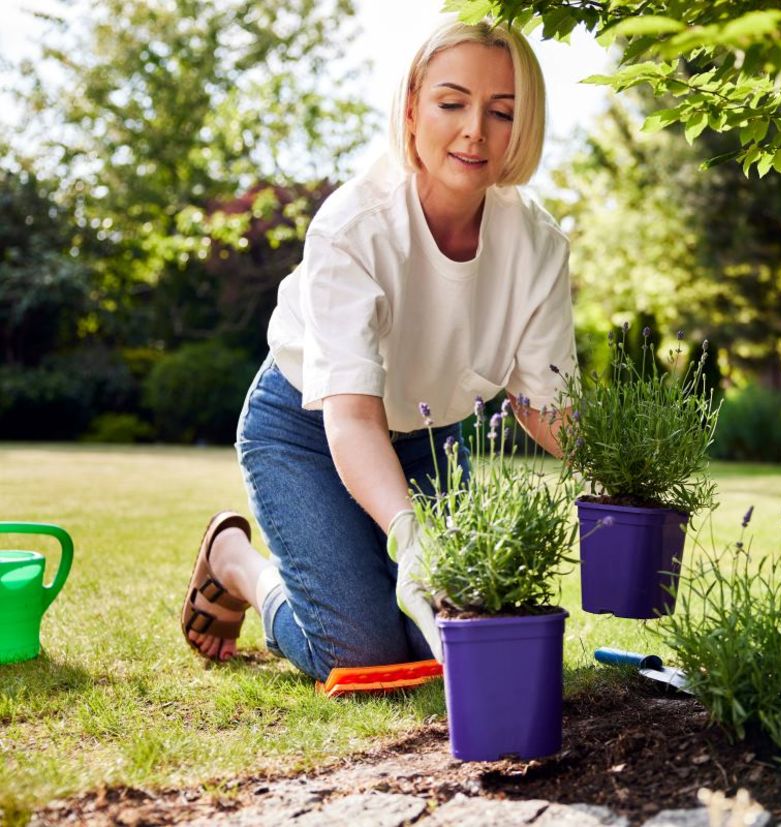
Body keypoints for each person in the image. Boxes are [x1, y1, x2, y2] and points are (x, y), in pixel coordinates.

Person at [180, 19, 575, 682]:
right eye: (453, 103)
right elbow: (353, 416)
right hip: (309, 428)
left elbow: (542, 401)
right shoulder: (354, 226)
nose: (475, 129)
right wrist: (408, 533)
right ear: (413, 106)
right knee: (361, 654)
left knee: (450, 639)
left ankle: (350, 573)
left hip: (429, 437)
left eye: (501, 111)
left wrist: (630, 474)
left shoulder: (536, 244)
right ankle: (235, 563)